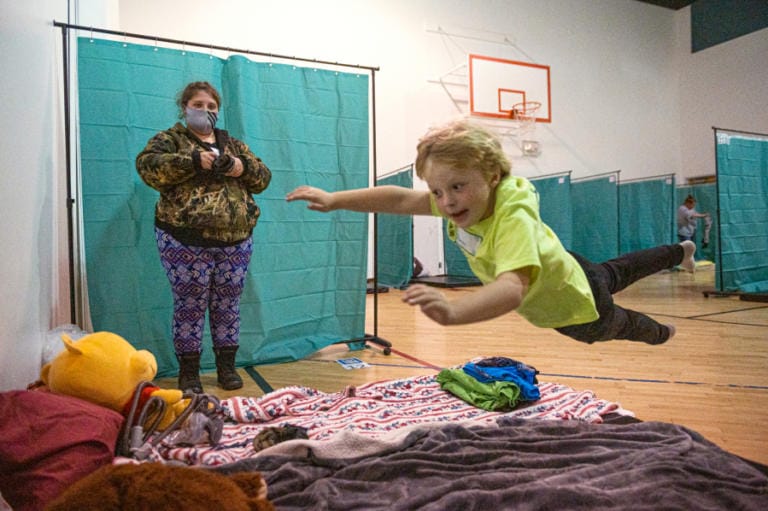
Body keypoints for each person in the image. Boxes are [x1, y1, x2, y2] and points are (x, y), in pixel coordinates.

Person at [286, 119, 696, 345]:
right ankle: (680, 251)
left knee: (622, 324)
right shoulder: (464, 202)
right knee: (618, 269)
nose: (446, 202)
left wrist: (454, 312)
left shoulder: (510, 216)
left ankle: (661, 333)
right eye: (437, 191)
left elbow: (513, 287)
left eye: (457, 186)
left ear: (492, 175)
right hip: (571, 268)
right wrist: (336, 198)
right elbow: (399, 200)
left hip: (573, 308)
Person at [136, 81, 272, 393]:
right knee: (190, 306)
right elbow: (147, 168)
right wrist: (194, 161)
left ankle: (226, 369)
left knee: (228, 305)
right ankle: (189, 374)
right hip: (184, 241)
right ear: (184, 107)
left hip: (236, 241)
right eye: (198, 105)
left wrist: (241, 167)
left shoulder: (232, 144)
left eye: (212, 107)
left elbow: (264, 177)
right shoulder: (169, 140)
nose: (206, 111)